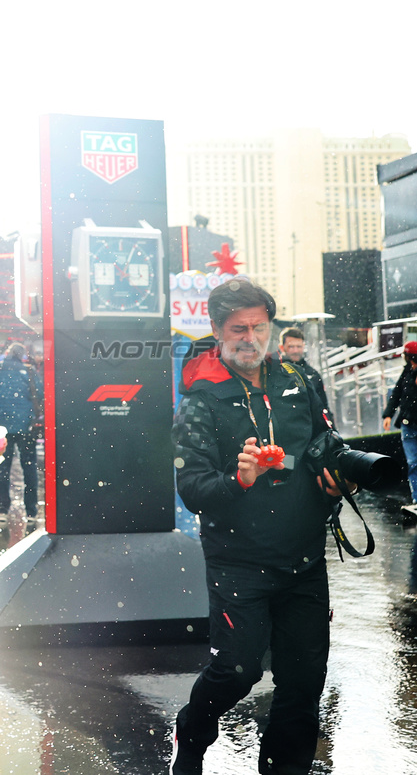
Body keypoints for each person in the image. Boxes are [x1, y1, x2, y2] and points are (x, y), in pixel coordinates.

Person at [171, 279, 347, 775]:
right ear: (216, 330)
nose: (250, 338)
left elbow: (325, 446)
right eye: (238, 329)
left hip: (305, 559)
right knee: (239, 671)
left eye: (259, 327)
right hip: (239, 563)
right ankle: (193, 731)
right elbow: (193, 488)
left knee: (304, 680)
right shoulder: (200, 400)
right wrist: (239, 479)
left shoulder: (299, 378)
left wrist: (336, 479)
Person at [0, 342, 41, 522]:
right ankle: (31, 511)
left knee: (3, 467)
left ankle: (2, 510)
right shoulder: (29, 372)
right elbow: (39, 394)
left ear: (7, 353)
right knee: (29, 466)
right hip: (26, 427)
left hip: (0, 427)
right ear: (22, 355)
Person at [382, 340, 417, 518]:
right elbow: (397, 393)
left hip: (409, 422)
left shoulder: (411, 371)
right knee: (413, 463)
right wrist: (388, 414)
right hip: (408, 423)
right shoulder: (407, 371)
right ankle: (416, 499)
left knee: (414, 463)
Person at [280, 327, 331, 419]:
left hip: (308, 425)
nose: (295, 351)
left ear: (303, 346)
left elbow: (323, 406)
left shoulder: (313, 374)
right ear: (282, 347)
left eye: (299, 346)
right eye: (291, 347)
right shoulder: (273, 372)